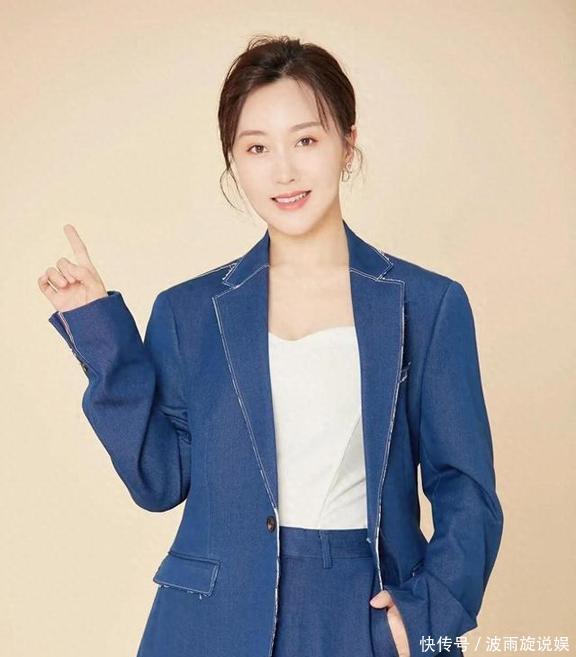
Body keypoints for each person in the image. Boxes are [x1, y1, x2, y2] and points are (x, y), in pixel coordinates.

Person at [38, 35, 504, 657]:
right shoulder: (188, 312)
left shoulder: (427, 303)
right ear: (234, 162)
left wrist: (425, 615)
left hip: (362, 613)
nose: (283, 171)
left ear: (347, 143)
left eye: (306, 140)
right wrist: (98, 330)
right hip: (210, 623)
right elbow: (159, 480)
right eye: (257, 148)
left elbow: (466, 488)